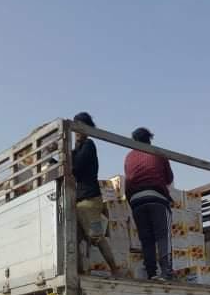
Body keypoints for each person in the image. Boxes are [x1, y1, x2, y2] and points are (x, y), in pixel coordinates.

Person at [72, 112, 119, 275]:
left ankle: (115, 270)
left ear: (86, 129)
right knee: (74, 239)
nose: (77, 132)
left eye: (79, 127)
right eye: (75, 128)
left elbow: (76, 167)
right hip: (80, 201)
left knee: (96, 236)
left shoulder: (88, 145)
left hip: (91, 200)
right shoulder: (78, 148)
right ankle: (80, 272)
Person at [124, 127, 174, 280]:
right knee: (162, 236)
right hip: (156, 198)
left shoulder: (129, 157)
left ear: (134, 141)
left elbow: (128, 180)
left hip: (136, 201)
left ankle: (151, 273)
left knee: (146, 239)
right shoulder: (158, 153)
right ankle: (166, 272)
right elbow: (169, 178)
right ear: (149, 139)